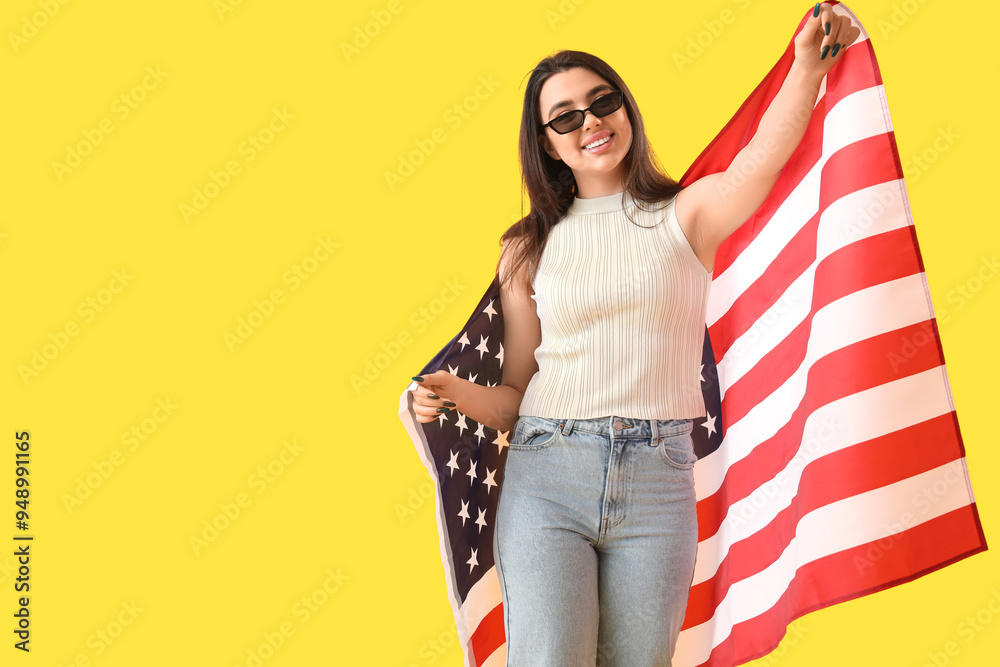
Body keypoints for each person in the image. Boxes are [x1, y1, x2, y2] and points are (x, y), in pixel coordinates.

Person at [409, 4, 860, 664]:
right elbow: (512, 395)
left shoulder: (689, 213)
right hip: (546, 472)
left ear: (624, 108)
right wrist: (453, 392)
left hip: (658, 476)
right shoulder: (526, 249)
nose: (590, 122)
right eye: (566, 117)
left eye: (602, 102)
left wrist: (805, 65)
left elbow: (764, 157)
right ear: (548, 144)